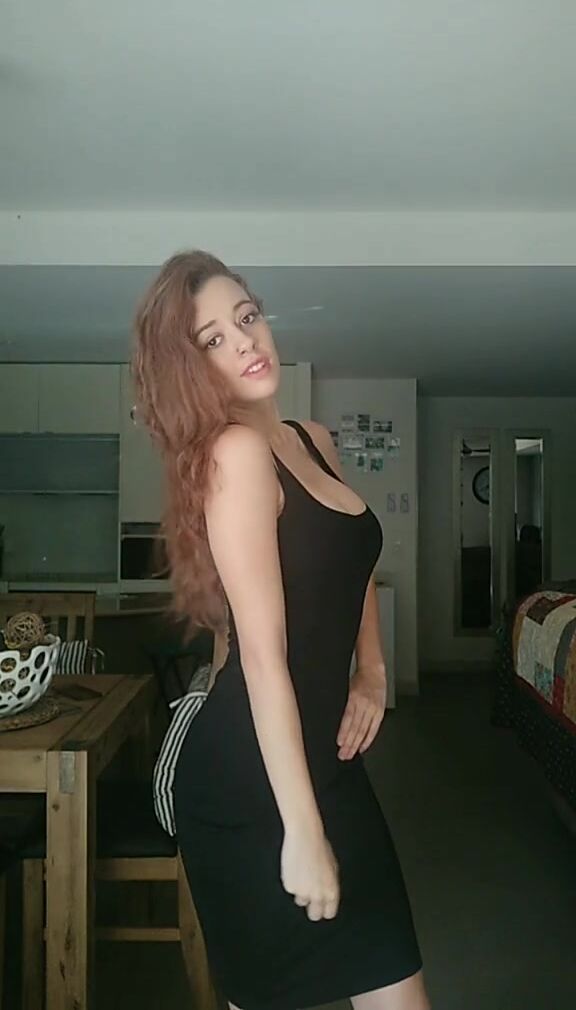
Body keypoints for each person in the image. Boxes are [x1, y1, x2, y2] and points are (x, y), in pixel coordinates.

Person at [133, 251, 429, 1010]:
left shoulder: (313, 439)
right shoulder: (234, 455)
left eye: (247, 317)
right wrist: (301, 829)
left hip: (323, 759)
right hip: (249, 780)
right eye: (213, 339)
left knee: (397, 983)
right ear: (190, 367)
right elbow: (262, 658)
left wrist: (372, 669)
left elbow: (353, 558)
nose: (244, 342)